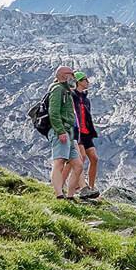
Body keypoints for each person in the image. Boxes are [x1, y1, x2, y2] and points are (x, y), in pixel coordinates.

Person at [47, 65, 84, 200]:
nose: (74, 77)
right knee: (59, 161)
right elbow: (54, 112)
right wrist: (60, 131)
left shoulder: (66, 91)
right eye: (71, 74)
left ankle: (70, 195)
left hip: (68, 132)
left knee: (78, 165)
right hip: (60, 131)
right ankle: (59, 195)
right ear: (63, 75)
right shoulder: (57, 90)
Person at [72, 71, 100, 199]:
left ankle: (91, 187)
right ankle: (79, 186)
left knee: (94, 158)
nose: (87, 82)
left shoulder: (86, 99)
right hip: (77, 133)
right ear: (79, 81)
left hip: (86, 132)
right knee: (81, 157)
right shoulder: (72, 96)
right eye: (85, 80)